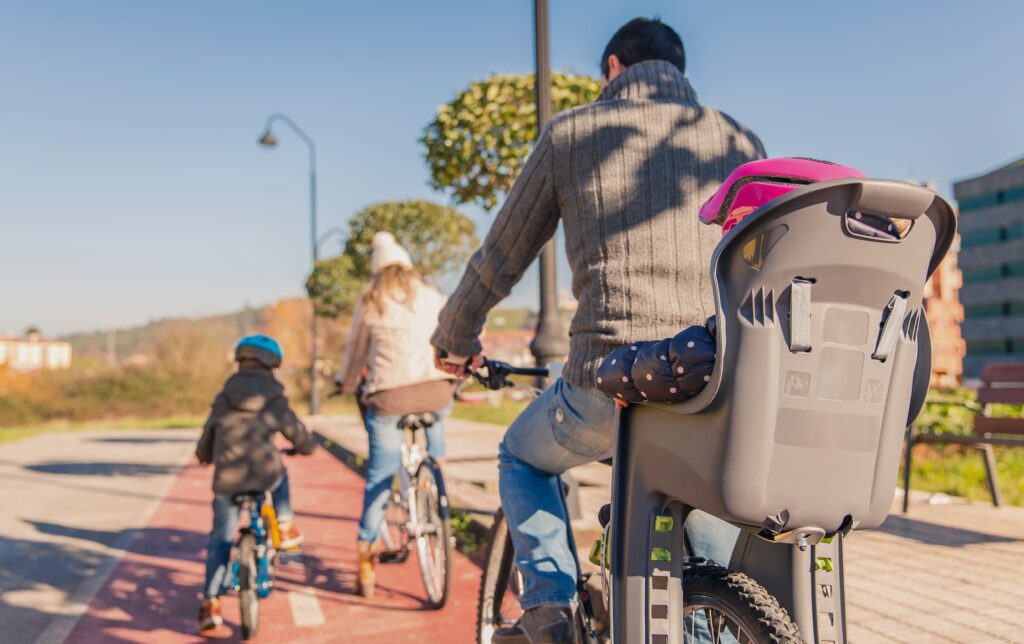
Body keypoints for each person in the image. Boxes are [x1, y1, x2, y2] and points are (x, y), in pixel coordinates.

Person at [432, 17, 766, 643]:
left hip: (608, 381)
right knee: (707, 578)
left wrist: (454, 338)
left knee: (521, 459)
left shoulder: (573, 132)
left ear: (612, 68)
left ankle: (549, 610)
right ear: (679, 71)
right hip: (716, 385)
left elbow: (500, 257)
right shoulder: (739, 141)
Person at [596, 157, 906, 405]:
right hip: (852, 479)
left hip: (740, 478)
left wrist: (609, 373)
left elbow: (639, 370)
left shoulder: (729, 342)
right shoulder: (880, 344)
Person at [335, 231, 456, 599]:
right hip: (436, 390)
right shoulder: (432, 294)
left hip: (388, 398)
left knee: (379, 476)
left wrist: (345, 382)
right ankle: (436, 486)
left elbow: (356, 352)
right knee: (437, 443)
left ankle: (365, 564)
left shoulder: (372, 300)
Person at [194, 334, 317, 634]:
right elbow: (295, 433)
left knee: (220, 538)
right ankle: (285, 523)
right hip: (264, 473)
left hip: (227, 479)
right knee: (280, 474)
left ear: (240, 360)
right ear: (272, 364)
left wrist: (205, 456)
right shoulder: (274, 396)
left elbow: (208, 434)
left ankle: (211, 602)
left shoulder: (225, 395)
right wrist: (305, 446)